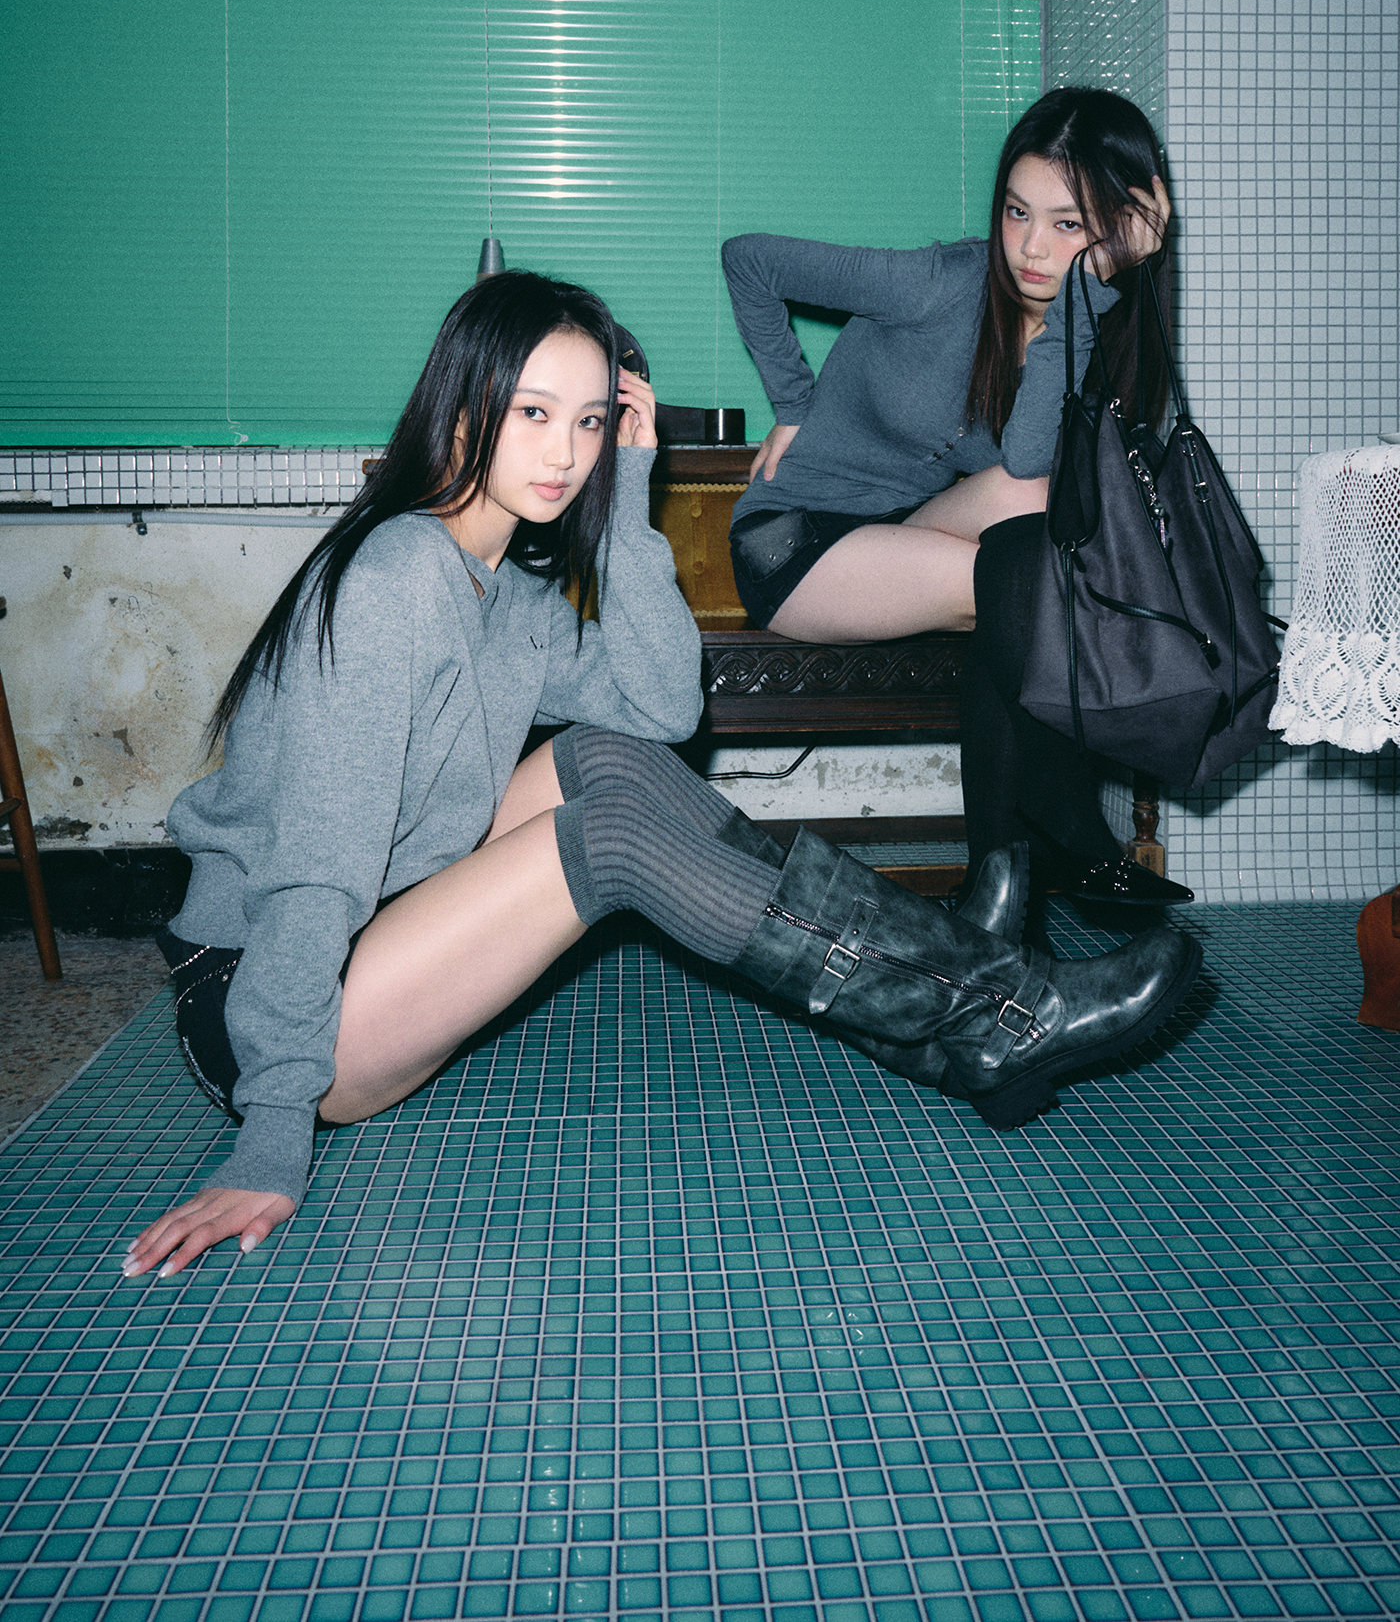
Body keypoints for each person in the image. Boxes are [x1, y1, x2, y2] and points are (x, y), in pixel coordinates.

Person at [124, 268, 1201, 1281]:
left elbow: (659, 710)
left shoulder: (505, 591)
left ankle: (949, 1027)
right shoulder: (398, 578)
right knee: (605, 839)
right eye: (534, 412)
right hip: (265, 1004)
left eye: (592, 422)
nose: (566, 452)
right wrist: (271, 1138)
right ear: (460, 411)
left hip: (378, 933)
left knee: (609, 762)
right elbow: (314, 867)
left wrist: (630, 498)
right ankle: (999, 1006)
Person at [722, 87, 1192, 910]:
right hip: (794, 540)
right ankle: (1050, 833)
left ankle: (999, 878)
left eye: (1068, 225)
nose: (1032, 248)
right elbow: (749, 259)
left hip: (902, 530)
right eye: (1017, 212)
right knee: (1023, 585)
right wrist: (792, 403)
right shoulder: (940, 283)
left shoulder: (1085, 317)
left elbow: (1027, 459)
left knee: (1032, 514)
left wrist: (1084, 302)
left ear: (1118, 232)